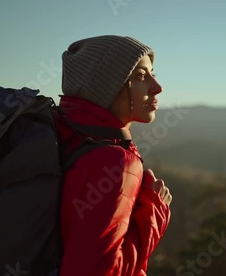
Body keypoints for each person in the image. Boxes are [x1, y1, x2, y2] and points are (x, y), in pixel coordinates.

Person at [53, 35, 173, 276]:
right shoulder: (115, 162)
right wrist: (154, 214)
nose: (157, 87)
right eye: (140, 76)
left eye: (153, 74)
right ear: (106, 87)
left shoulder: (61, 132)